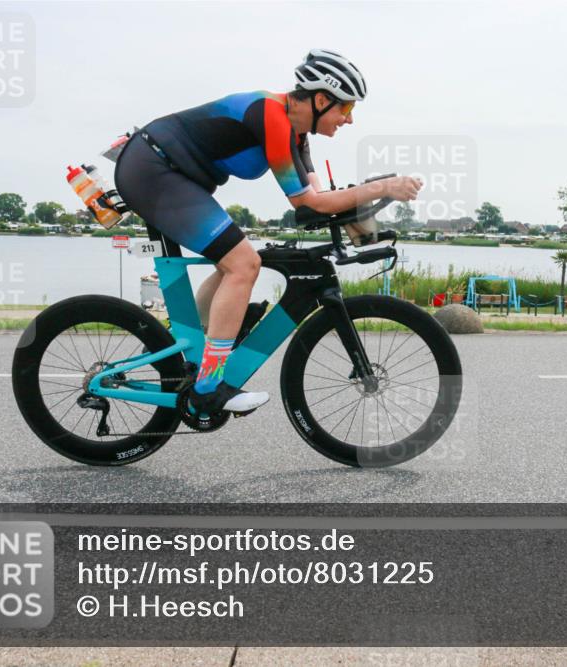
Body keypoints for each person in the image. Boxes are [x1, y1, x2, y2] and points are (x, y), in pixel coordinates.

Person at [114, 49, 423, 415]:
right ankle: (209, 386)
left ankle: (191, 352)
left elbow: (316, 202)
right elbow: (309, 202)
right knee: (242, 264)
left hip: (170, 176)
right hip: (154, 169)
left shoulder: (298, 135)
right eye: (347, 109)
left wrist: (367, 203)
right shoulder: (272, 116)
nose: (349, 120)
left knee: (239, 260)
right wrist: (382, 188)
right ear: (322, 100)